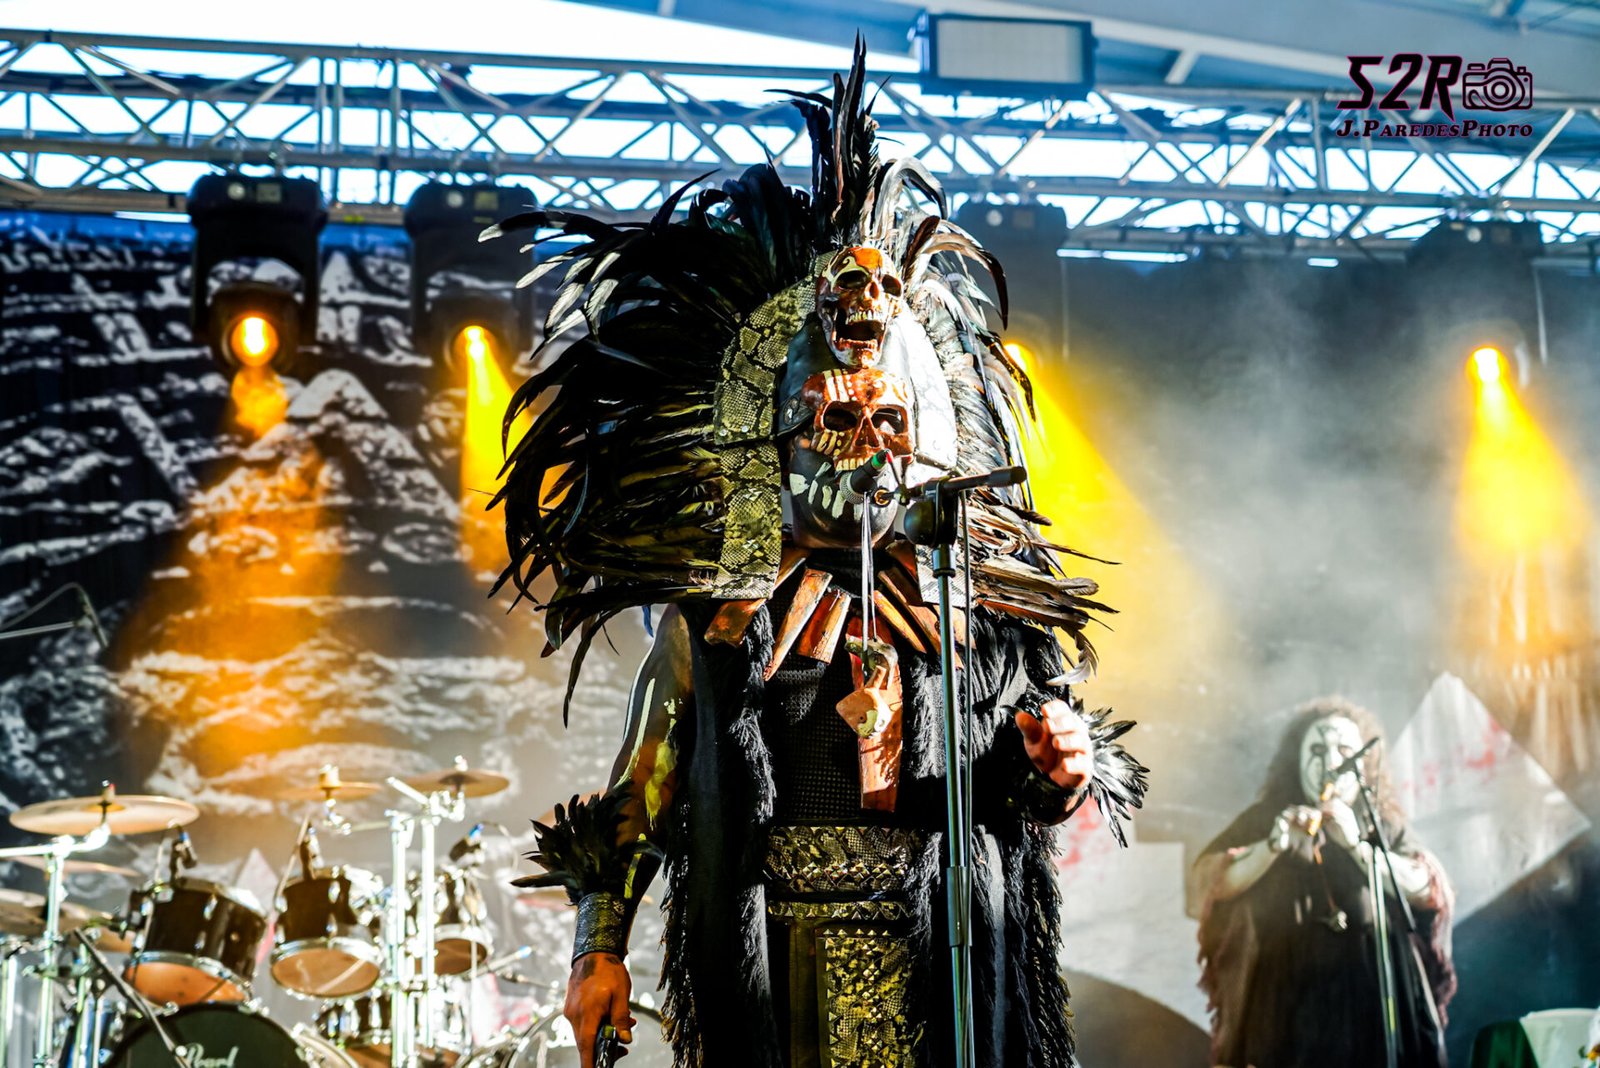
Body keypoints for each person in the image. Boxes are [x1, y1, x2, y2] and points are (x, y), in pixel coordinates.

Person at [491, 43, 1147, 1068]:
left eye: (888, 418)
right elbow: (637, 799)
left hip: (953, 978)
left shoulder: (984, 612)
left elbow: (1034, 780)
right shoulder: (719, 621)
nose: (865, 445)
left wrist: (1062, 764)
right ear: (774, 436)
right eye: (833, 418)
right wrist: (597, 950)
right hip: (778, 978)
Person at [1192, 698, 1457, 1068]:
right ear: (1296, 760)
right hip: (1284, 1006)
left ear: (1364, 764)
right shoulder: (1266, 819)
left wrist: (1357, 846)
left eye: (1344, 750)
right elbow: (1207, 885)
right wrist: (1271, 847)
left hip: (1370, 1001)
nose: (1330, 761)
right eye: (1316, 750)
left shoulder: (1379, 822)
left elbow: (1428, 889)